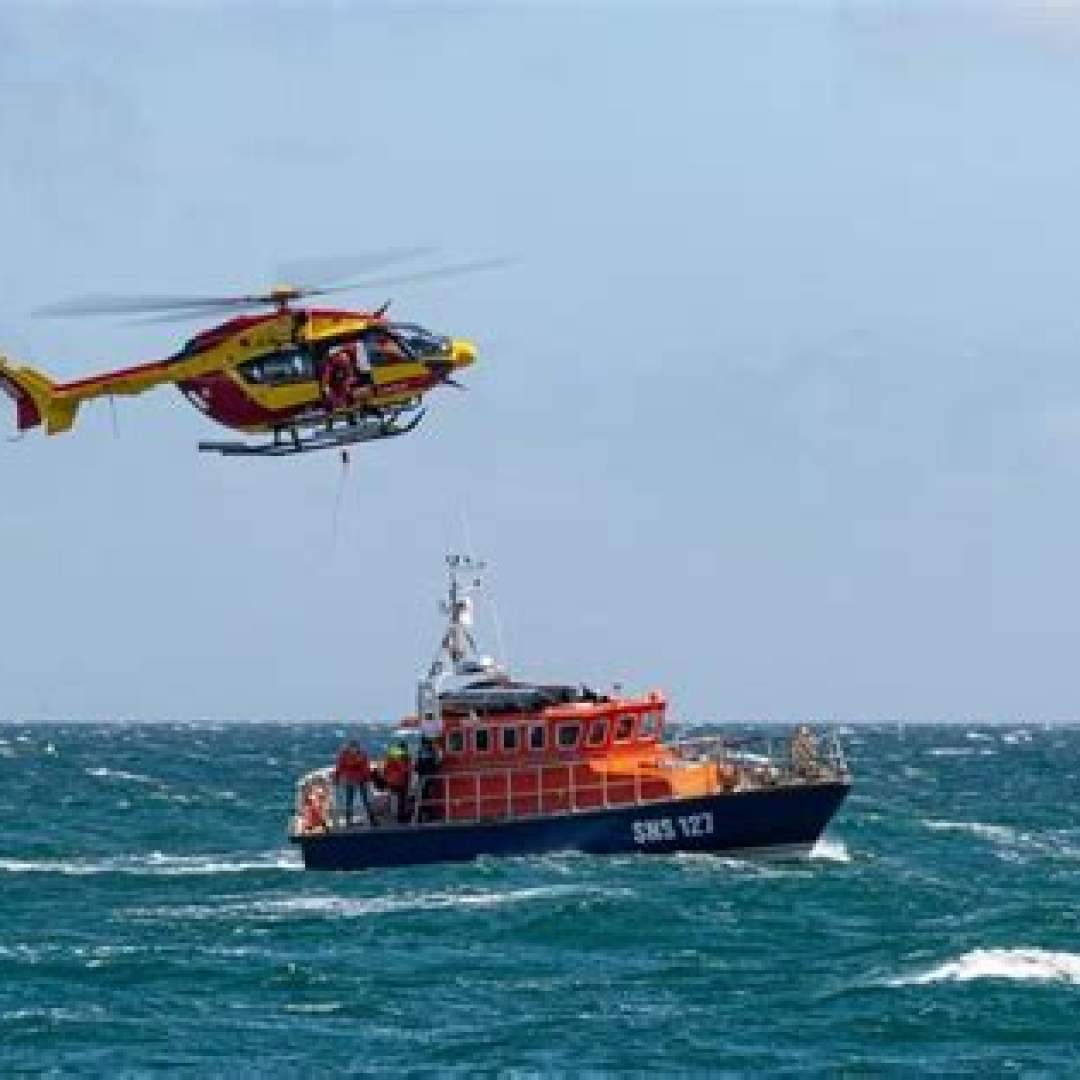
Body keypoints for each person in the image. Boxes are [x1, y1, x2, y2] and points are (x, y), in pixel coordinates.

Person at [333, 739, 374, 825]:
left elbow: (366, 767)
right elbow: (339, 767)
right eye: (352, 747)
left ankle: (371, 818)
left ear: (358, 747)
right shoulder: (344, 755)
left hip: (362, 780)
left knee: (366, 799)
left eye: (355, 747)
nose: (353, 749)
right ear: (348, 747)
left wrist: (367, 777)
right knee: (349, 800)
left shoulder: (362, 754)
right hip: (350, 780)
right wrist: (336, 778)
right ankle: (348, 820)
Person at [383, 740, 413, 824]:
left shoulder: (392, 755)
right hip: (401, 781)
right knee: (401, 799)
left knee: (398, 799)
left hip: (393, 780)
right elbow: (406, 769)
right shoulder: (404, 756)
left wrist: (388, 778)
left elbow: (386, 768)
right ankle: (401, 817)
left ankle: (398, 815)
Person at [415, 736, 442, 822]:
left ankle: (420, 816)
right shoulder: (430, 750)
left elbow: (417, 765)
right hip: (428, 776)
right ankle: (428, 815)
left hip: (422, 776)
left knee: (423, 796)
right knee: (428, 795)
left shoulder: (421, 751)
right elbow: (436, 763)